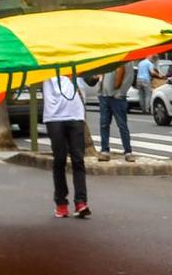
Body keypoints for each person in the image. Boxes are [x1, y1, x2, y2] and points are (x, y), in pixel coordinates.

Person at [42, 71, 90, 219]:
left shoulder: (73, 59)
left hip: (75, 115)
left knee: (78, 159)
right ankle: (61, 203)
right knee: (60, 159)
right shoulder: (44, 60)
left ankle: (81, 202)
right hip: (54, 116)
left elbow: (91, 79)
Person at [95, 63, 136, 162]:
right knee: (104, 124)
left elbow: (129, 77)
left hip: (117, 97)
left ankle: (128, 151)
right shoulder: (107, 58)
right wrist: (100, 92)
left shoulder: (126, 59)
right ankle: (104, 150)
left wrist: (120, 93)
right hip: (104, 96)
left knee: (122, 125)